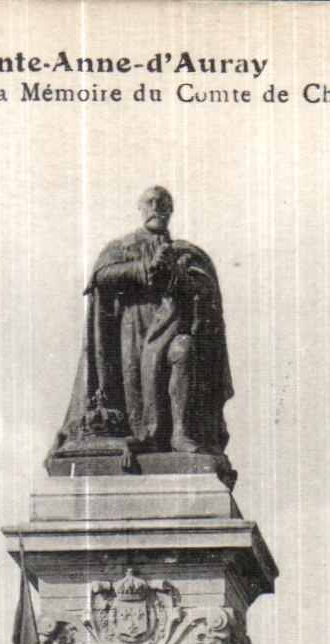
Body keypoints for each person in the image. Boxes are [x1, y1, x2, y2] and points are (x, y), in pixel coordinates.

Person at [52, 186, 233, 458]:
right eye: (150, 202)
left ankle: (181, 433)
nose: (156, 207)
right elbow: (101, 277)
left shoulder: (184, 252)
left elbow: (204, 290)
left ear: (171, 210)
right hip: (133, 327)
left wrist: (174, 273)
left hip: (172, 323)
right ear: (140, 208)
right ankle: (144, 436)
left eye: (163, 203)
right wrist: (141, 269)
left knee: (183, 351)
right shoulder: (122, 247)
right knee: (137, 387)